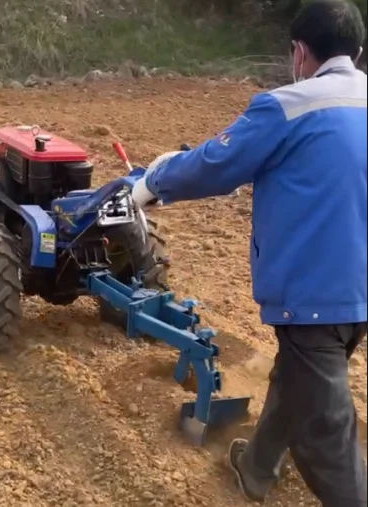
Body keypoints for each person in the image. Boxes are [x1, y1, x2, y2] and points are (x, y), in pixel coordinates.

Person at [131, 1, 368, 506]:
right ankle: (256, 468)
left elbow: (216, 163)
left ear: (300, 52)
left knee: (327, 441)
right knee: (298, 377)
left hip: (316, 298)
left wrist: (154, 179)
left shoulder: (288, 105)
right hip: (357, 296)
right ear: (359, 51)